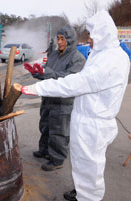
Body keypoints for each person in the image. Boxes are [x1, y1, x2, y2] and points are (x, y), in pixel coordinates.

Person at [21, 11, 130, 201]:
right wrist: (41, 74)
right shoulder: (101, 54)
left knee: (90, 167)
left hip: (93, 123)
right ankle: (81, 191)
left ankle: (88, 197)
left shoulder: (110, 60)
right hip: (85, 116)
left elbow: (74, 82)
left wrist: (37, 87)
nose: (88, 39)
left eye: (91, 34)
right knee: (81, 164)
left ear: (102, 34)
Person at [23, 25, 86, 171]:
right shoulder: (53, 55)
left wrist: (47, 72)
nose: (59, 42)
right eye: (58, 38)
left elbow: (69, 79)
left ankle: (57, 159)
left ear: (70, 40)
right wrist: (37, 72)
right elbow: (48, 73)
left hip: (63, 101)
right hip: (48, 97)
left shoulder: (78, 59)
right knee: (45, 126)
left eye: (62, 39)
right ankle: (44, 150)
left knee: (58, 131)